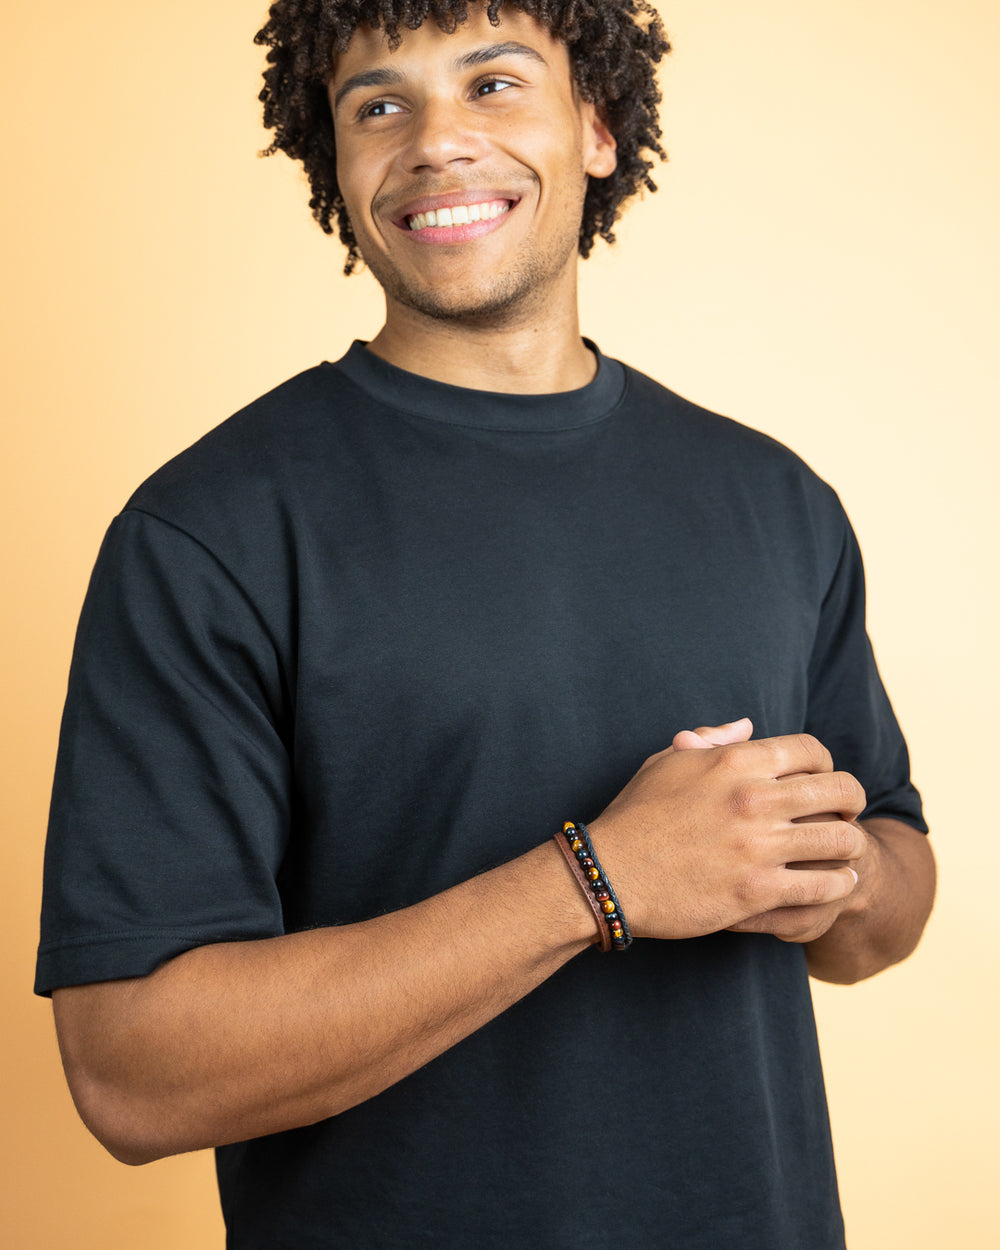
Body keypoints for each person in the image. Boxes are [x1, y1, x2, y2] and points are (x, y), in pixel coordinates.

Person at [36, 1, 936, 1246]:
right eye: (379, 105)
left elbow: (886, 901)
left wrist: (826, 871)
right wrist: (602, 878)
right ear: (335, 162)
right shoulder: (208, 534)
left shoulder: (774, 498)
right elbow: (130, 1070)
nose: (436, 142)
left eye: (495, 84)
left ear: (599, 125)